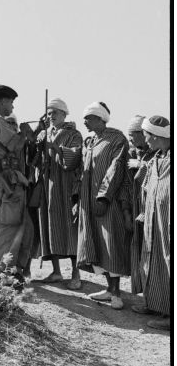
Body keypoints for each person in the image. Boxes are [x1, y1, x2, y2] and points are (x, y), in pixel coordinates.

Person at [74, 102, 132, 310]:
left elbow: (115, 169)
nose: (84, 122)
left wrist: (104, 197)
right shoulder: (90, 141)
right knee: (97, 244)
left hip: (107, 202)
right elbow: (81, 169)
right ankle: (109, 289)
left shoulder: (116, 139)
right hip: (88, 202)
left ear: (101, 118)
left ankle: (116, 294)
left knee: (110, 244)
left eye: (88, 118)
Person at [0, 84, 35, 278]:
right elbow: (14, 145)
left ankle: (11, 271)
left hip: (7, 180)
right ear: (3, 101)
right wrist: (25, 132)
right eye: (11, 103)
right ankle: (2, 274)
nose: (12, 108)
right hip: (7, 181)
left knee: (19, 227)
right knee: (8, 229)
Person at [32, 98, 83, 289]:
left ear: (64, 114)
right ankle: (56, 271)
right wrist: (38, 143)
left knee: (68, 227)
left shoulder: (74, 134)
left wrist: (54, 146)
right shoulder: (45, 132)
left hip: (65, 185)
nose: (50, 116)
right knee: (49, 225)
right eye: (48, 113)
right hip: (47, 184)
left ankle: (75, 274)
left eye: (54, 112)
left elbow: (74, 158)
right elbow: (36, 159)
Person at [132, 116, 170, 330]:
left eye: (146, 135)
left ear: (156, 136)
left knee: (167, 261)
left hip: (168, 221)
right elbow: (146, 187)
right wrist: (144, 212)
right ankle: (155, 303)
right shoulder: (155, 159)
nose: (144, 140)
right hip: (152, 219)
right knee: (151, 259)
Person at [126, 115, 156, 296]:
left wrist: (141, 165)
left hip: (152, 209)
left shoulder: (159, 153)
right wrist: (126, 211)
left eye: (133, 135)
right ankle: (144, 293)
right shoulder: (130, 153)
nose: (131, 139)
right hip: (135, 209)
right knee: (138, 250)